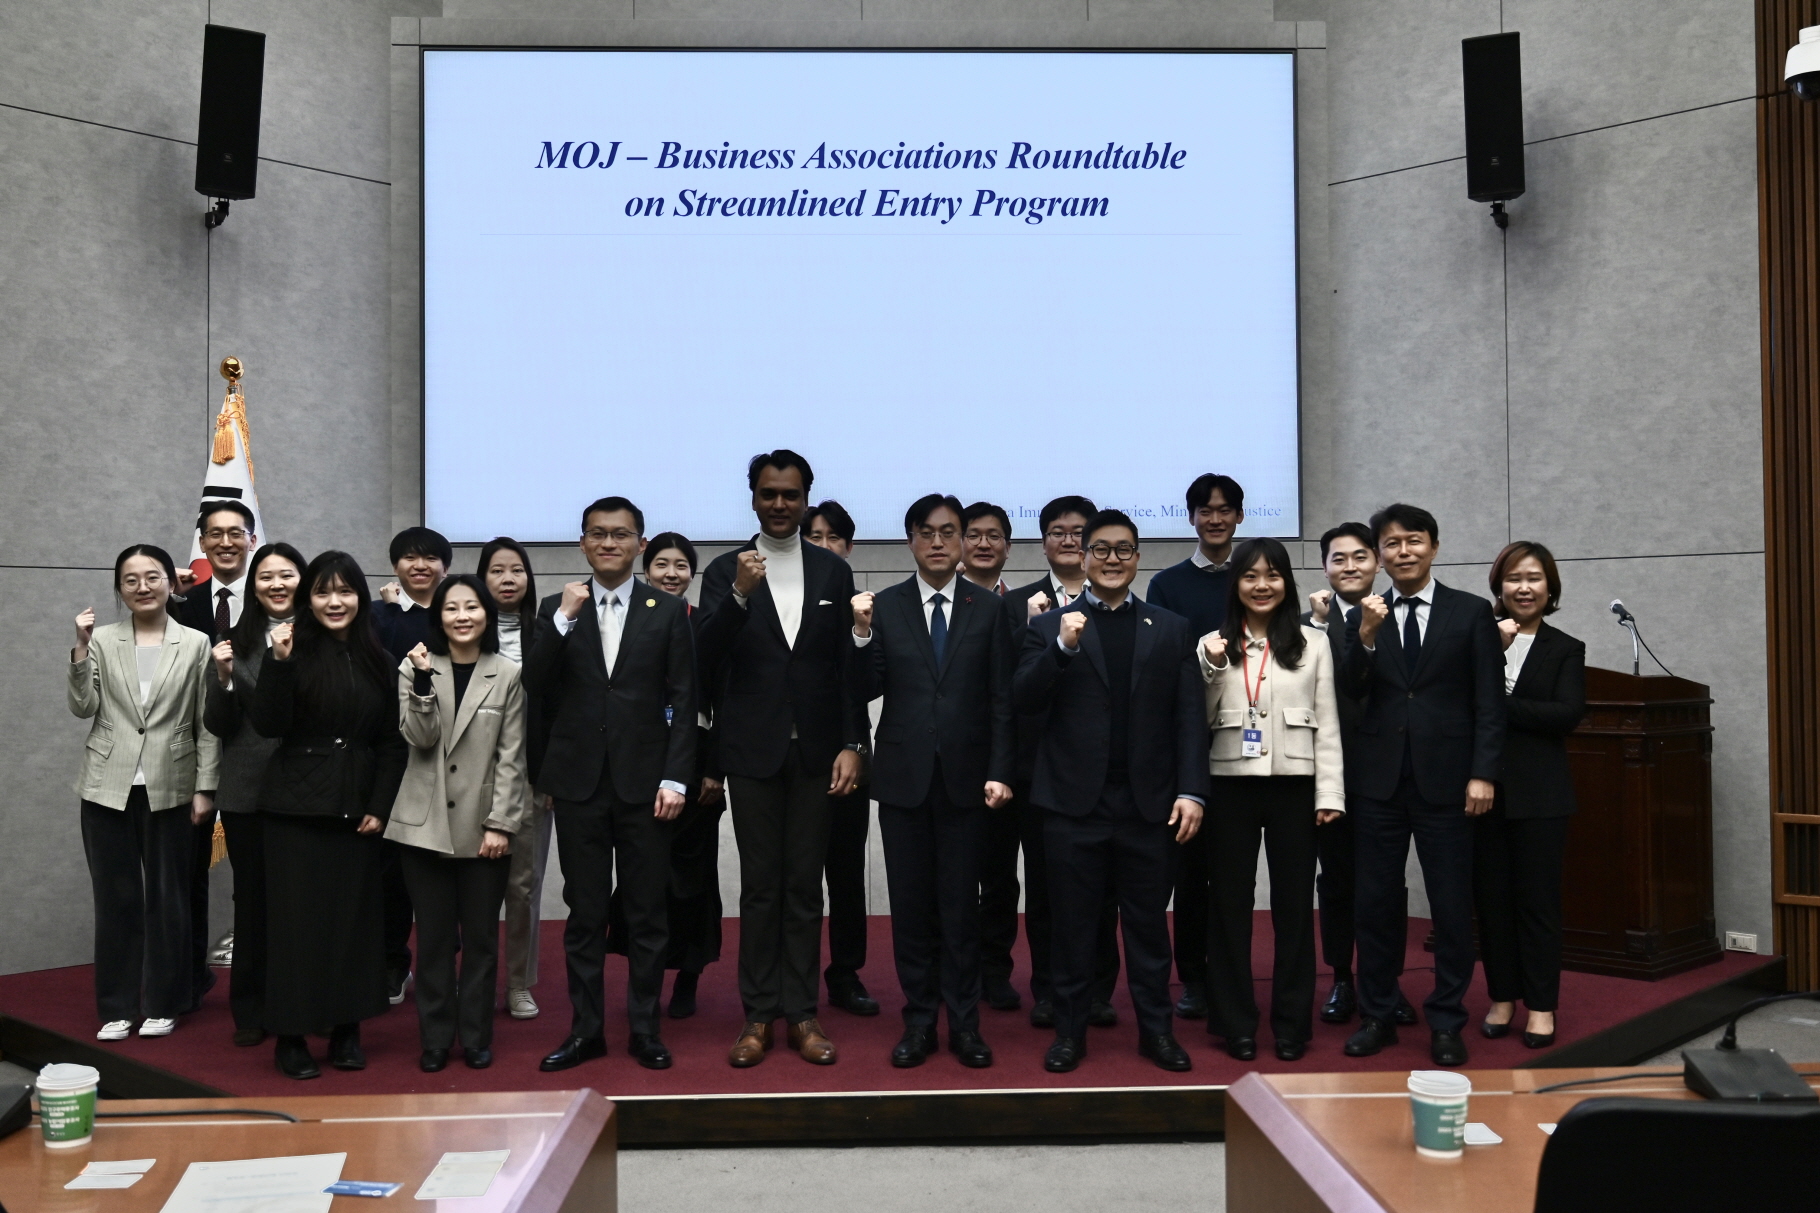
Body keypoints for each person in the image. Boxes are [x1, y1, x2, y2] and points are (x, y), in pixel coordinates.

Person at [1015, 510, 1208, 1074]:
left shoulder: (1170, 628)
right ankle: (1069, 1033)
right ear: (1083, 556)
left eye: (1124, 549)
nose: (1112, 559)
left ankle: (1157, 1033)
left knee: (1148, 930)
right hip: (1073, 806)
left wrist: (1192, 791)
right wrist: (1061, 649)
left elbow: (1188, 719)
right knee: (1073, 930)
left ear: (1138, 558)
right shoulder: (1050, 626)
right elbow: (1022, 699)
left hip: (1149, 806)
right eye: (1100, 549)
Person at [697, 452, 863, 1067]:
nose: (779, 504)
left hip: (818, 750)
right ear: (753, 497)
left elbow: (846, 667)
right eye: (768, 493)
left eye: (790, 494)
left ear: (806, 497)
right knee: (761, 887)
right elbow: (703, 656)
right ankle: (758, 1015)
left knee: (804, 886)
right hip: (752, 750)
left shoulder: (832, 570)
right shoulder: (725, 570)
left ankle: (803, 1013)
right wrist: (739, 595)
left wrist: (853, 742)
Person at [526, 498, 696, 1073]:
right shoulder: (556, 608)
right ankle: (586, 1031)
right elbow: (535, 684)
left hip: (647, 786)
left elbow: (684, 698)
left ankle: (645, 1029)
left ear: (640, 544)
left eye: (620, 535)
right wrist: (562, 621)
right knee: (584, 913)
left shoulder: (666, 610)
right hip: (578, 786)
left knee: (647, 914)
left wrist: (676, 777)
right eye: (597, 534)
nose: (608, 543)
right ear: (582, 543)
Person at [850, 494, 1015, 1069]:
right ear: (911, 541)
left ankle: (965, 1025)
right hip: (903, 781)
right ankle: (919, 1021)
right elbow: (865, 687)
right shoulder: (887, 606)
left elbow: (1002, 699)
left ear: (964, 540)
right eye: (927, 532)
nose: (939, 542)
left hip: (969, 781)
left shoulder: (988, 608)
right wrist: (861, 634)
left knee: (961, 909)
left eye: (949, 532)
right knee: (911, 909)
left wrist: (1001, 770)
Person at [1338, 504, 1504, 1068]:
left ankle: (1447, 1019)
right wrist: (1365, 636)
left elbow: (1489, 701)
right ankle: (1377, 1014)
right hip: (1378, 784)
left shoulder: (1470, 612)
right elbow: (1350, 691)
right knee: (1375, 906)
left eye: (1413, 540)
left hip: (1450, 783)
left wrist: (1483, 773)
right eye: (1391, 543)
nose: (1403, 551)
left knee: (1451, 908)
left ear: (1433, 546)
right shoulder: (1365, 614)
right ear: (1379, 556)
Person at [251, 551, 408, 1079]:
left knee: (353, 927)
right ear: (308, 599)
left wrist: (379, 807)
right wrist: (278, 663)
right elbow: (269, 725)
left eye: (344, 591)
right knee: (295, 931)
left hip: (356, 812)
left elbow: (392, 744)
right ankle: (291, 1037)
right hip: (293, 813)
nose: (334, 601)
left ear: (360, 597)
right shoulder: (289, 649)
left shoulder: (380, 659)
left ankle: (346, 1030)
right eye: (322, 592)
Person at [1199, 538, 1344, 1062]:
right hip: (1229, 784)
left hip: (1294, 787)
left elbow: (1328, 723)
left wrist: (1330, 792)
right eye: (1250, 576)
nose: (1262, 585)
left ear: (1287, 582)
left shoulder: (1314, 642)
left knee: (1294, 909)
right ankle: (1235, 1023)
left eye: (1273, 575)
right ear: (1235, 584)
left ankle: (1291, 1025)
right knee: (1229, 907)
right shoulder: (1211, 642)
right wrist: (1216, 667)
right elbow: (1198, 719)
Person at [69, 544, 219, 1041]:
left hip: (172, 786)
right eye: (130, 580)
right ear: (119, 589)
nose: (142, 587)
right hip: (105, 787)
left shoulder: (195, 642)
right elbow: (83, 706)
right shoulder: (102, 640)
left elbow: (206, 723)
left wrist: (205, 788)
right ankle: (117, 1007)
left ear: (171, 583)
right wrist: (80, 649)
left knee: (168, 901)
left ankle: (163, 1001)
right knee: (116, 901)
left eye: (152, 576)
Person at [392, 575, 530, 1072]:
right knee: (432, 941)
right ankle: (434, 1038)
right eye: (451, 608)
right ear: (439, 617)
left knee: (481, 941)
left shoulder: (506, 672)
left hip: (483, 827)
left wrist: (501, 824)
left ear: (486, 615)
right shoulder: (414, 665)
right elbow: (420, 738)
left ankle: (475, 1036)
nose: (462, 616)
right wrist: (422, 681)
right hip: (423, 825)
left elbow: (512, 758)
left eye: (472, 606)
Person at [1001, 496, 1120, 1028]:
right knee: (1046, 887)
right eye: (1057, 531)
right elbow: (1007, 688)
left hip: (1103, 772)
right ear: (1043, 542)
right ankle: (1048, 988)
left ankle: (1098, 990)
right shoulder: (1016, 604)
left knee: (1104, 890)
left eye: (1078, 532)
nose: (1068, 540)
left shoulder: (1117, 605)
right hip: (1040, 771)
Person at [605, 533, 727, 1020]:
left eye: (681, 565)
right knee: (643, 879)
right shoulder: (628, 620)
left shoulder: (706, 624)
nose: (671, 574)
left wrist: (715, 769)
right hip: (639, 762)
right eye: (661, 564)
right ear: (645, 568)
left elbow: (725, 699)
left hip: (697, 767)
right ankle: (646, 979)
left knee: (693, 881)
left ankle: (689, 977)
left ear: (692, 574)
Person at [1303, 524, 1417, 1029]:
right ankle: (1342, 977)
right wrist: (1316, 622)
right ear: (1324, 566)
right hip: (1329, 774)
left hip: (1389, 774)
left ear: (1377, 562)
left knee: (1386, 885)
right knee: (1337, 881)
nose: (1349, 566)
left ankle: (1386, 982)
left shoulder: (1401, 617)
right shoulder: (1308, 626)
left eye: (1359, 556)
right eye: (1338, 558)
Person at [1142, 473, 1244, 1022]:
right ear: (1190, 518)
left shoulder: (1257, 577)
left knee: (1234, 874)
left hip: (1247, 741)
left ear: (1240, 516)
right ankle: (1194, 980)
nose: (1216, 518)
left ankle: (1230, 974)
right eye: (1206, 510)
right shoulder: (1167, 585)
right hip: (1188, 743)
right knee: (1189, 873)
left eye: (1225, 509)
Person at [1477, 541, 1586, 1050]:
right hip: (1482, 793)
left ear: (1550, 588)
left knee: (1538, 904)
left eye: (1534, 578)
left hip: (1542, 797)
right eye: (1515, 578)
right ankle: (1502, 998)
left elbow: (1565, 715)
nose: (1524, 588)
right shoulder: (1477, 637)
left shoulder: (1566, 647)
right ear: (1499, 586)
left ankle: (1542, 1006)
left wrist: (1495, 703)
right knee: (1492, 904)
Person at [202, 541, 305, 1047]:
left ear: (303, 580)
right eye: (266, 577)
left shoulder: (325, 638)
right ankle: (251, 1008)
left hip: (309, 790)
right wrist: (223, 680)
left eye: (287, 575)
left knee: (302, 903)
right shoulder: (231, 643)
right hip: (248, 793)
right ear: (253, 586)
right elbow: (219, 726)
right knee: (253, 901)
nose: (277, 584)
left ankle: (303, 1004)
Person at [169, 499, 258, 1010]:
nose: (226, 542)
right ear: (201, 542)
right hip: (191, 753)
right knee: (188, 872)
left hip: (256, 756)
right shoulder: (180, 602)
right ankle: (189, 976)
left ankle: (260, 982)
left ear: (252, 540)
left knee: (257, 878)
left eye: (235, 532)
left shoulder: (275, 598)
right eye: (215, 533)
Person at [801, 500, 879, 1017]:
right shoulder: (784, 599)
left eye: (834, 538)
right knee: (799, 876)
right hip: (796, 757)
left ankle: (846, 972)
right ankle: (797, 975)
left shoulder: (863, 607)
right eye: (815, 537)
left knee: (847, 872)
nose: (825, 546)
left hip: (849, 750)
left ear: (848, 548)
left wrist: (853, 746)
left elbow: (865, 684)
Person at [373, 526, 451, 1004]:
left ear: (445, 566)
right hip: (393, 757)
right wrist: (396, 611)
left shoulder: (458, 611)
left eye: (429, 558)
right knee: (392, 876)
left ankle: (444, 969)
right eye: (408, 558)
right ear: (395, 565)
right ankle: (392, 963)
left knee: (446, 872)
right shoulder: (377, 615)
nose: (419, 566)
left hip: (448, 757)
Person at [479, 537, 552, 1022]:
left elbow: (560, 710)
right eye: (497, 570)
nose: (508, 579)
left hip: (530, 777)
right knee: (475, 889)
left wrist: (551, 777)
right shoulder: (466, 631)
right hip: (471, 779)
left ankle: (519, 983)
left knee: (523, 887)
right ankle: (478, 979)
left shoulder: (546, 633)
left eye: (517, 570)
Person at [959, 502, 1013, 596]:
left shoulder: (1020, 601)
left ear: (1007, 548)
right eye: (973, 536)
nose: (984, 545)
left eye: (994, 536)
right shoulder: (939, 598)